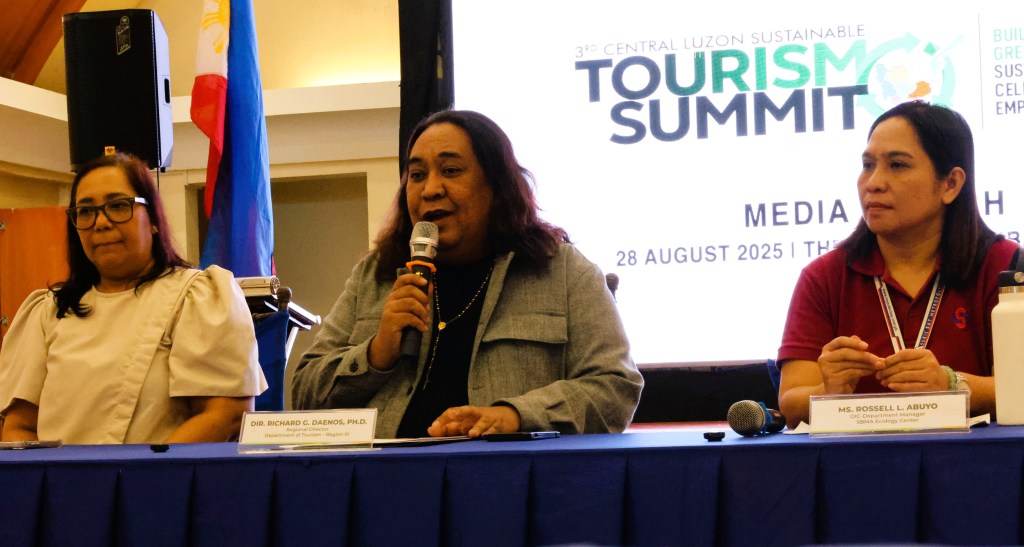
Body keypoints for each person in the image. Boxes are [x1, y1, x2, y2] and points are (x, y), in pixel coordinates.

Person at [292, 109, 642, 438]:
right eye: (417, 175)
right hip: (387, 475)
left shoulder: (563, 271)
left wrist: (516, 416)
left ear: (496, 186)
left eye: (451, 170)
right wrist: (376, 353)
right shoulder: (375, 275)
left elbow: (614, 387)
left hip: (504, 475)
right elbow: (305, 394)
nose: (431, 189)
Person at [777, 100, 1021, 429]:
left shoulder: (1007, 267)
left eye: (897, 165)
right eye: (867, 165)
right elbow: (791, 402)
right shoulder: (824, 276)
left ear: (950, 184)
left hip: (975, 458)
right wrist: (828, 391)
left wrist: (951, 385)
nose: (873, 182)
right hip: (859, 458)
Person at [0, 153, 266, 444]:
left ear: (153, 220)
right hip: (61, 474)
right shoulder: (48, 311)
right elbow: (19, 429)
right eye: (86, 211)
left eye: (118, 206)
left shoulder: (197, 296)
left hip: (162, 472)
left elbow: (225, 415)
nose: (100, 222)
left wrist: (138, 470)